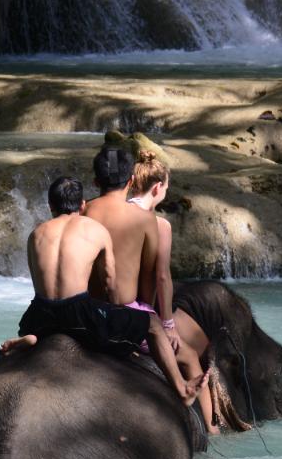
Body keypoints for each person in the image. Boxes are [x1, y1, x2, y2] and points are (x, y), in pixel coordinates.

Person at [84, 145, 204, 405]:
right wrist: (160, 321)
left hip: (86, 312)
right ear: (130, 180)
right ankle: (189, 396)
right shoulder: (145, 220)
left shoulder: (83, 211)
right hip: (125, 316)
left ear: (95, 181)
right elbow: (151, 276)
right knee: (187, 354)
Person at [0, 176, 155, 363]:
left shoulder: (36, 234)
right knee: (154, 325)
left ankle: (34, 337)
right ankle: (182, 386)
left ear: (50, 206)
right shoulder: (96, 229)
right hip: (77, 314)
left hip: (38, 315)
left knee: (46, 315)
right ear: (82, 205)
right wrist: (115, 313)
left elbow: (37, 283)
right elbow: (109, 282)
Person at [126, 148, 218, 433]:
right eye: (166, 187)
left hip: (97, 308)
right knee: (190, 357)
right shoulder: (158, 225)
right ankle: (213, 431)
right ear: (157, 187)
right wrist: (168, 325)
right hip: (137, 316)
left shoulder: (108, 212)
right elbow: (162, 278)